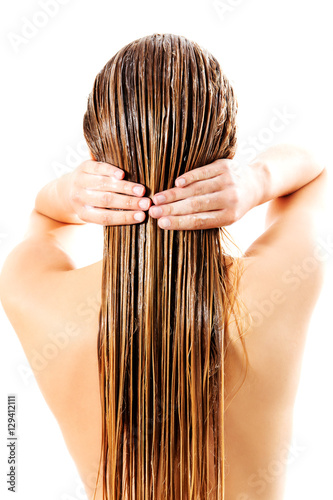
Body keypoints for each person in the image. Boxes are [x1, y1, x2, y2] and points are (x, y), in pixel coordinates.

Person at [0, 33, 327, 500]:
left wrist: (70, 190)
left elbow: (45, 216)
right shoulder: (282, 282)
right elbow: (317, 171)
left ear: (95, 160)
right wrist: (257, 181)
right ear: (227, 159)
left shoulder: (30, 292)